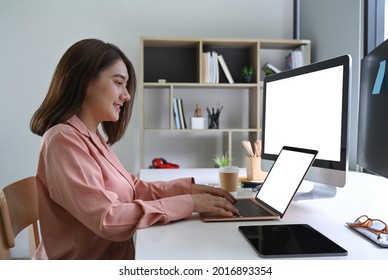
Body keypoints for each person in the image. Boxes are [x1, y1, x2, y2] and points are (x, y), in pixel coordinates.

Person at [30, 39, 239, 260]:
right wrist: (189, 203)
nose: (127, 95)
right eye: (119, 83)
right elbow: (108, 219)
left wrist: (189, 191)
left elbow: (133, 188)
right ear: (85, 81)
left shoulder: (91, 136)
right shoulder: (63, 139)